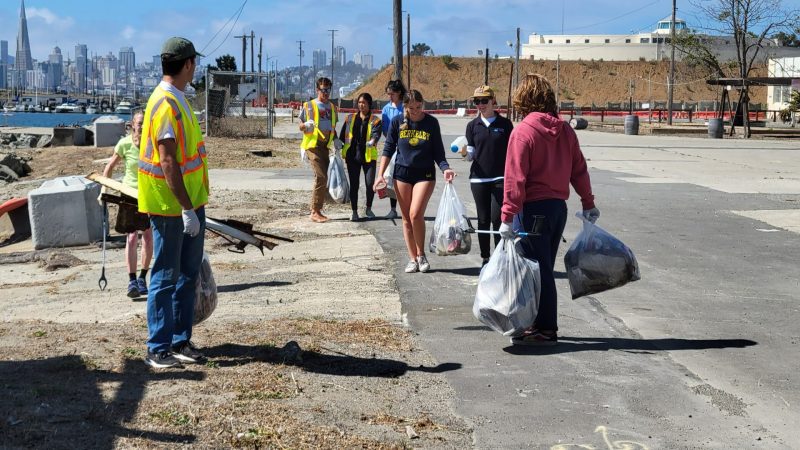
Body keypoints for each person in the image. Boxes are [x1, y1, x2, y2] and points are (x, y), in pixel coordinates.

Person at [499, 73, 599, 346]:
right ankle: (537, 323)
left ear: (524, 98)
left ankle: (545, 328)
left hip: (533, 210)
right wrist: (588, 202)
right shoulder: (565, 130)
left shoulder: (523, 132)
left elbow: (515, 178)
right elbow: (579, 169)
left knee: (537, 269)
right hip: (558, 209)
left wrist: (507, 216)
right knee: (541, 266)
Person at [138, 37, 209, 369]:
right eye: (195, 64)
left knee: (187, 274)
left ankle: (180, 340)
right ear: (188, 65)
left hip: (189, 202)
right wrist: (185, 208)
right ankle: (158, 347)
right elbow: (167, 161)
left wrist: (192, 206)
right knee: (166, 275)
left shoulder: (178, 99)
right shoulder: (166, 104)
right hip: (170, 206)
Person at [375, 89, 455, 273]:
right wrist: (380, 174)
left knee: (415, 214)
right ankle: (412, 258)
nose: (416, 111)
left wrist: (446, 168)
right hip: (402, 174)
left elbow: (438, 152)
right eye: (411, 108)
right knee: (405, 219)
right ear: (405, 107)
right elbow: (388, 149)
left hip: (424, 174)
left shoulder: (431, 123)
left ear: (423, 104)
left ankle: (421, 255)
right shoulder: (398, 122)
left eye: (418, 107)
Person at [101, 111, 153, 298]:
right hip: (129, 193)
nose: (141, 126)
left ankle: (143, 277)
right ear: (132, 124)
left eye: (145, 123)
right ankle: (131, 280)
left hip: (148, 194)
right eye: (139, 123)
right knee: (131, 238)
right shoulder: (124, 143)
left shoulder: (152, 144)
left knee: (147, 237)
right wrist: (104, 191)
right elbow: (110, 167)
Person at [461, 85, 513, 267]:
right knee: (482, 220)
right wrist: (464, 153)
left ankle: (499, 258)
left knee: (497, 218)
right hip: (478, 179)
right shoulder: (472, 126)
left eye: (484, 101)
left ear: (493, 101)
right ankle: (485, 257)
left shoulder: (505, 125)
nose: (480, 105)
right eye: (477, 101)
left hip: (500, 178)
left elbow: (512, 153)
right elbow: (470, 155)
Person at [299, 77, 340, 223]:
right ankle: (315, 211)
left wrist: (335, 140)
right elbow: (300, 125)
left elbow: (333, 127)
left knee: (325, 177)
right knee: (321, 176)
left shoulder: (332, 108)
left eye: (328, 90)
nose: (326, 93)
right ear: (317, 90)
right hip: (312, 146)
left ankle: (318, 209)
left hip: (325, 147)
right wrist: (305, 126)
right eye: (323, 90)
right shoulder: (309, 105)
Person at [339, 92, 382, 221]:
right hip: (353, 156)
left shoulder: (375, 120)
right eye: (359, 102)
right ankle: (354, 212)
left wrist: (372, 141)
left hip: (368, 156)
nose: (361, 105)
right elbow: (343, 135)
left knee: (370, 184)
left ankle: (368, 208)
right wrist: (338, 144)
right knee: (354, 184)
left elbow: (376, 134)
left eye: (364, 103)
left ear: (369, 104)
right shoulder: (350, 118)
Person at [380, 79, 407, 219]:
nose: (390, 96)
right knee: (390, 177)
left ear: (399, 93)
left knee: (403, 177)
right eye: (388, 93)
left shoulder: (406, 106)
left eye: (392, 93)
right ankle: (393, 208)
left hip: (405, 146)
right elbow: (385, 130)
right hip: (392, 146)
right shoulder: (385, 109)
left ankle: (406, 207)